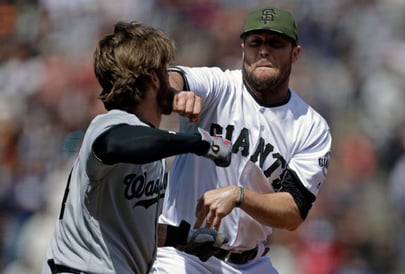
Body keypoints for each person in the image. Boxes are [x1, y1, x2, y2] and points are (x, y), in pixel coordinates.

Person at [41, 21, 231, 274]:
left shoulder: (149, 143)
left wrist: (183, 238)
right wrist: (198, 142)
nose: (171, 82)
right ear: (154, 78)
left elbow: (127, 227)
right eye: (165, 72)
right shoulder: (110, 125)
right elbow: (115, 144)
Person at [153, 6, 332, 274]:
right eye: (255, 42)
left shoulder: (310, 126)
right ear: (243, 49)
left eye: (276, 43)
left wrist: (240, 196)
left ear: (295, 53)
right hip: (181, 257)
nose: (263, 50)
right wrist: (177, 92)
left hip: (251, 263)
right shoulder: (220, 86)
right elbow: (175, 77)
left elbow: (294, 211)